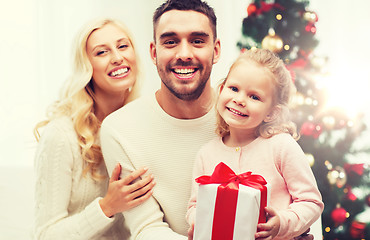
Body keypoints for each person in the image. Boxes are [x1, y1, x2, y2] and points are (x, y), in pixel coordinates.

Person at [100, 0, 316, 239]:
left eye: (197, 41)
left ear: (216, 50)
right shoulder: (120, 130)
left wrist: (289, 227)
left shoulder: (256, 123)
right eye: (170, 42)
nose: (184, 54)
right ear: (154, 52)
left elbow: (305, 202)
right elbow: (149, 227)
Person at [33, 18, 155, 240]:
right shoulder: (61, 135)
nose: (118, 58)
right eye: (102, 52)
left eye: (123, 46)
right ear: (86, 67)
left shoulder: (142, 125)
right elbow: (45, 235)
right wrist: (107, 207)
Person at [186, 49, 324, 240]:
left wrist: (282, 223)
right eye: (233, 89)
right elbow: (195, 205)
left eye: (254, 97)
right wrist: (198, 222)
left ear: (271, 113)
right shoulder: (206, 154)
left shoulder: (281, 146)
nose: (239, 100)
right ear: (221, 90)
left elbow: (311, 202)